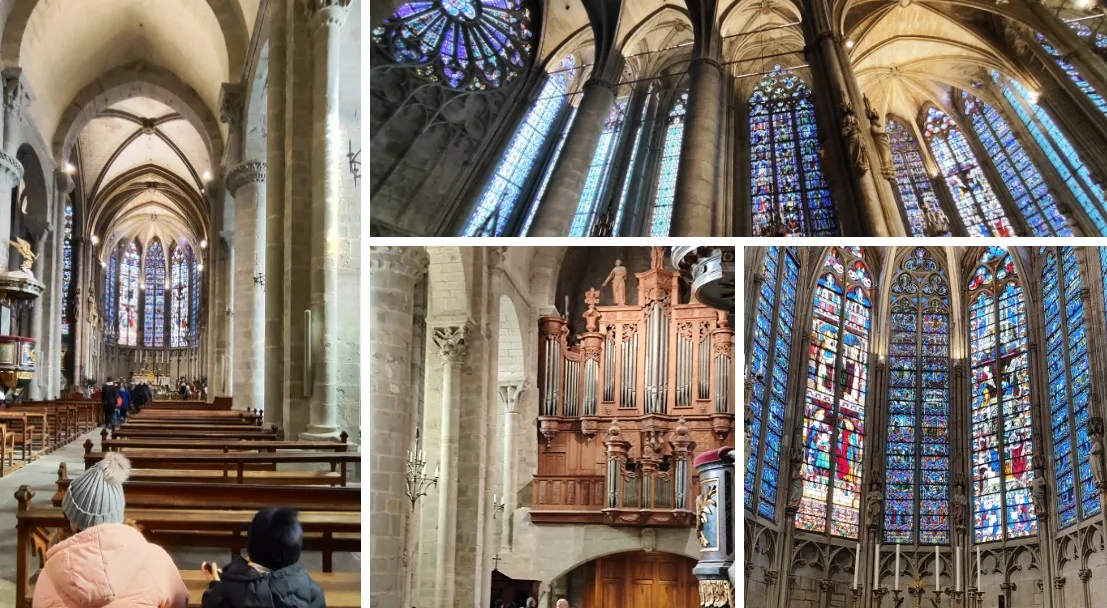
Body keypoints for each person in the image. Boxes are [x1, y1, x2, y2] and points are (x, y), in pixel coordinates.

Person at [32, 452, 189, 607]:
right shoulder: (158, 561)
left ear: (72, 523)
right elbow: (180, 601)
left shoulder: (49, 577)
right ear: (119, 514)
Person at [200, 507, 325, 607]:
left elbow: (211, 602)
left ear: (250, 545)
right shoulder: (310, 589)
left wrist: (215, 584)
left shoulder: (226, 590)